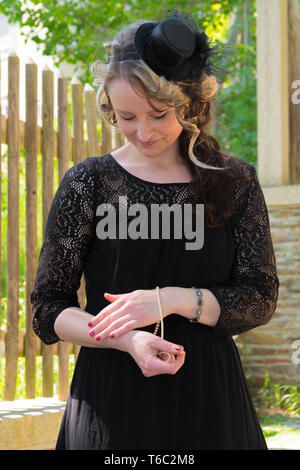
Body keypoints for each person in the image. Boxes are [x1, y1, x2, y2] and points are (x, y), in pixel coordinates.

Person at [30, 10, 280, 450]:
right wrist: (126, 339)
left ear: (189, 104)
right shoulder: (88, 183)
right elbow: (47, 310)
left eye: (159, 115)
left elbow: (259, 299)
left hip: (209, 400)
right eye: (126, 117)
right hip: (109, 400)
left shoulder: (234, 181)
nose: (143, 132)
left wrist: (172, 300)